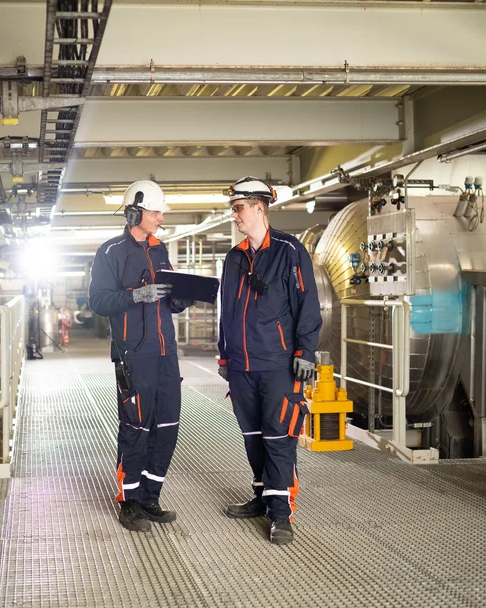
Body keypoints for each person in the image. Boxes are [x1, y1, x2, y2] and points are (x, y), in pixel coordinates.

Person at [216, 176, 322, 545]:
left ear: (259, 207)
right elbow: (225, 309)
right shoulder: (233, 257)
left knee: (280, 438)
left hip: (279, 364)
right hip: (242, 366)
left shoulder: (290, 250)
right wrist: (224, 354)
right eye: (234, 208)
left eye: (239, 207)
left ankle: (281, 515)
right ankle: (262, 498)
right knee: (253, 437)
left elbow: (308, 304)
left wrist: (305, 352)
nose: (235, 214)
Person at [88, 180, 194, 532]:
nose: (161, 218)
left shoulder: (160, 250)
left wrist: (180, 298)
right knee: (136, 427)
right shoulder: (110, 252)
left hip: (167, 355)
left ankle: (150, 496)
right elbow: (98, 302)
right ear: (135, 212)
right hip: (133, 355)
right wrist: (137, 295)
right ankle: (129, 501)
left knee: (166, 426)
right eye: (156, 211)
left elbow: (167, 299)